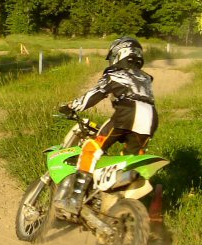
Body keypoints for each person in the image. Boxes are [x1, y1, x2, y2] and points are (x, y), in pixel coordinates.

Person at [58, 36, 158, 185]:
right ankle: (121, 194)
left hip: (126, 116)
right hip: (151, 119)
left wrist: (72, 106)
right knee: (130, 159)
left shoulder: (115, 74)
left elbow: (95, 93)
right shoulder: (145, 78)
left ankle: (75, 198)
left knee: (91, 149)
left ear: (120, 54)